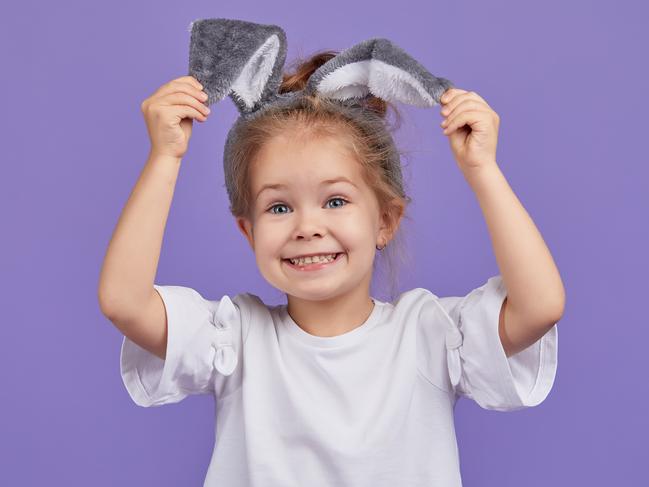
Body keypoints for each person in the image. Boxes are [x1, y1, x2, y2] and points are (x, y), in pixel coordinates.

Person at [98, 47, 564, 486]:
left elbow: (540, 306)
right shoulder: (235, 338)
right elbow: (124, 301)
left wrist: (484, 170)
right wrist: (165, 158)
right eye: (279, 208)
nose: (307, 226)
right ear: (249, 231)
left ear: (385, 221)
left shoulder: (427, 334)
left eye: (335, 200)